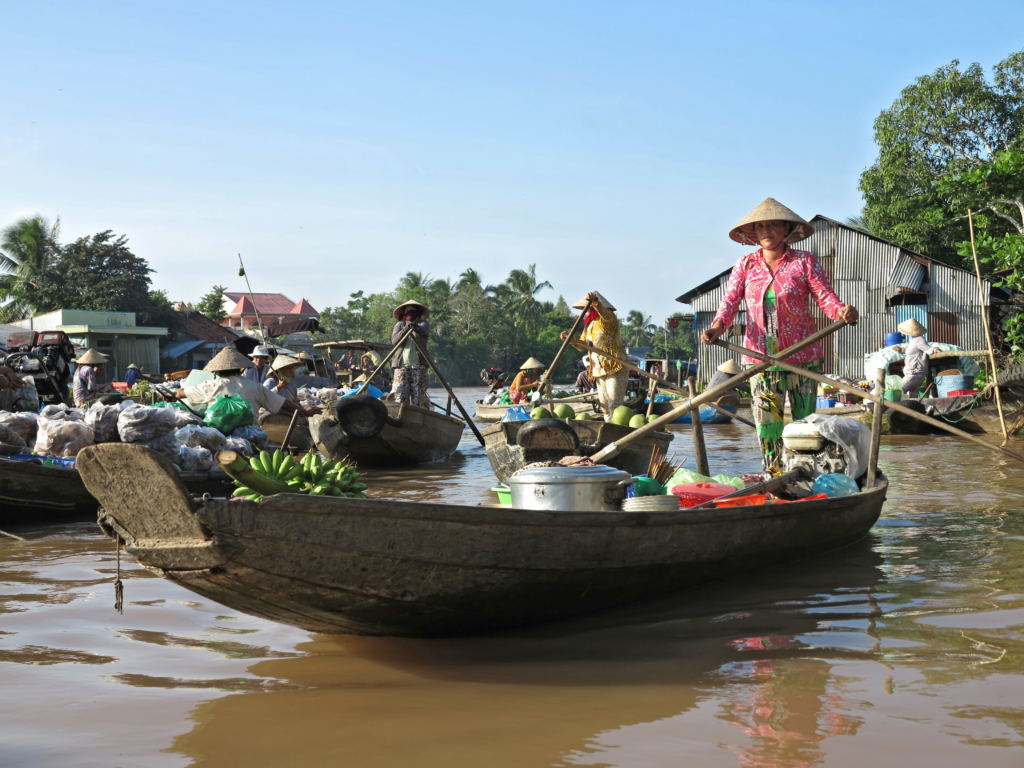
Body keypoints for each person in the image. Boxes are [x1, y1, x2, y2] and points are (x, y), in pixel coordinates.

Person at [701, 198, 859, 471]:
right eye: (760, 226)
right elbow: (729, 303)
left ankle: (806, 473)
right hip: (760, 360)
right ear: (753, 233)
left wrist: (842, 312)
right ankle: (773, 476)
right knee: (768, 429)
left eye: (772, 224)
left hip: (803, 358)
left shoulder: (804, 261)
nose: (766, 230)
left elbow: (825, 298)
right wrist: (717, 327)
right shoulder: (746, 265)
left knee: (807, 426)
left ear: (787, 228)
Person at [168, 347, 316, 419]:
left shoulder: (209, 386)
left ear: (217, 372)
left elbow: (181, 392)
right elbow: (284, 404)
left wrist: (169, 395)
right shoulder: (256, 387)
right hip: (252, 436)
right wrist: (305, 412)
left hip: (219, 435)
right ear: (241, 369)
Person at [562, 291, 628, 417]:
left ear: (592, 307)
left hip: (615, 366)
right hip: (599, 369)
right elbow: (582, 346)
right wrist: (570, 339)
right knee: (605, 406)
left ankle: (618, 429)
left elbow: (605, 313)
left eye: (586, 309)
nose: (584, 312)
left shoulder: (608, 319)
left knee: (614, 405)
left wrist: (595, 302)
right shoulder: (588, 326)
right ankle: (609, 431)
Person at [390, 300, 431, 408]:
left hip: (418, 365)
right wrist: (405, 329)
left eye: (412, 310)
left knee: (417, 397)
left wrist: (415, 327)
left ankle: (417, 418)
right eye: (407, 311)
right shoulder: (399, 325)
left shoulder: (423, 323)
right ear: (403, 313)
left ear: (417, 312)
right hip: (401, 365)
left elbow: (424, 331)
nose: (409, 312)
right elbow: (394, 341)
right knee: (400, 396)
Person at [895, 319, 938, 398]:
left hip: (915, 374)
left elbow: (927, 349)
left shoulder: (919, 339)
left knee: (896, 390)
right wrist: (901, 350)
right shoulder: (912, 340)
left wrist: (935, 349)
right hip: (913, 373)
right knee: (912, 396)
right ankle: (913, 409)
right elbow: (913, 351)